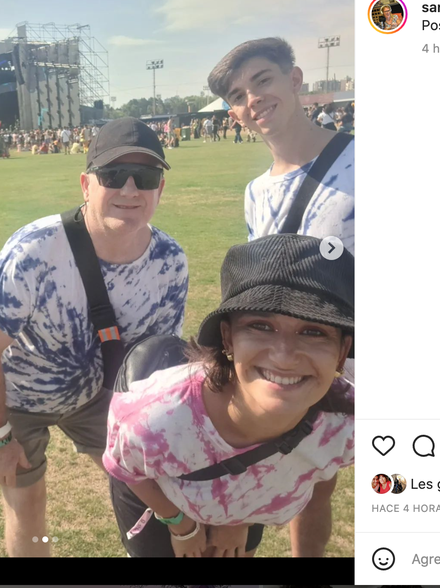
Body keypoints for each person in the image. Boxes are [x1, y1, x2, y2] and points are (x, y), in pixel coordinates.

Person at [0, 117, 189, 557]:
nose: (129, 191)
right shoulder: (36, 249)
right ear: (86, 184)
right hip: (20, 398)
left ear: (160, 189)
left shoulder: (169, 262)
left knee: (150, 484)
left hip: (99, 396)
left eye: (144, 178)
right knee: (28, 511)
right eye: (112, 176)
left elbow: (160, 361)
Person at [104, 234, 354, 557]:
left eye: (314, 331)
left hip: (247, 510)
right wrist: (181, 525)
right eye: (261, 325)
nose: (284, 355)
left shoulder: (347, 425)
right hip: (165, 504)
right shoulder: (153, 420)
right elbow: (124, 468)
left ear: (342, 351)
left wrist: (239, 516)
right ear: (229, 338)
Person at [208, 37, 355, 253]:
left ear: (294, 80)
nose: (253, 99)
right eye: (238, 96)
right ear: (235, 116)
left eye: (263, 81)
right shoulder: (255, 193)